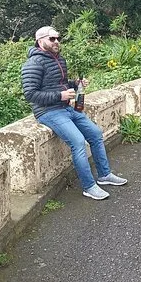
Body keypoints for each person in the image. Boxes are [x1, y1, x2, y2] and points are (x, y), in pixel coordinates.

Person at [21, 26, 127, 200]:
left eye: (58, 38)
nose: (56, 41)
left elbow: (60, 83)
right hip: (48, 112)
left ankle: (104, 175)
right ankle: (88, 186)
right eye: (52, 39)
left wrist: (76, 84)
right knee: (77, 141)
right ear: (40, 42)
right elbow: (30, 94)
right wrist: (60, 95)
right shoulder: (33, 63)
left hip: (67, 108)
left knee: (95, 134)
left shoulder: (59, 59)